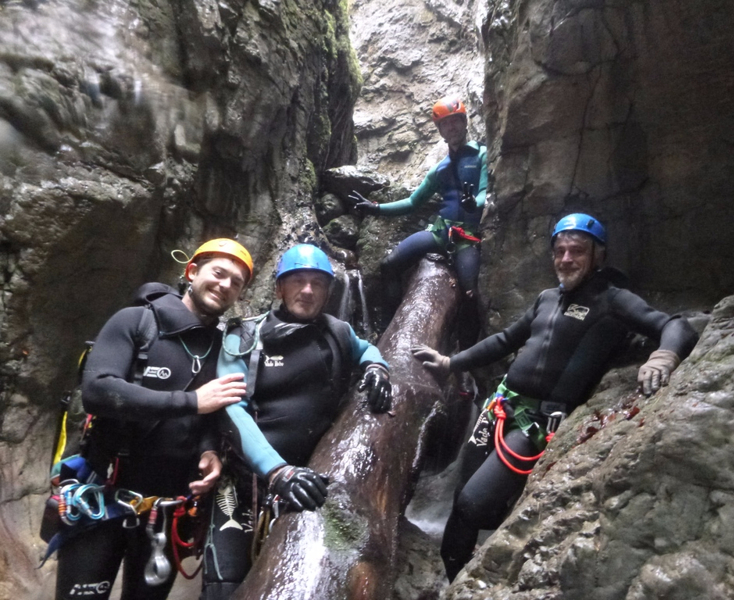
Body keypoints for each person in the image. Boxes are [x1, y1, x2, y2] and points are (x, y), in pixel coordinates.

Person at [412, 213, 699, 581]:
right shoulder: (546, 299)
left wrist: (664, 355)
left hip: (537, 424)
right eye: (559, 251)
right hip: (500, 407)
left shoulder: (612, 300)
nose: (566, 259)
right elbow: (504, 341)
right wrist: (451, 361)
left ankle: (473, 573)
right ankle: (455, 579)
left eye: (576, 250)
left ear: (598, 255)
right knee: (461, 499)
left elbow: (675, 325)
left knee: (472, 503)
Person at [54, 239, 254, 600]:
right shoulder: (136, 320)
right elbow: (98, 391)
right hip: (102, 498)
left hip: (166, 510)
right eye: (218, 273)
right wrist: (190, 401)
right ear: (192, 272)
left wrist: (210, 451)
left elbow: (211, 415)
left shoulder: (224, 348)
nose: (225, 285)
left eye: (236, 282)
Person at [201, 243, 392, 600]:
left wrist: (378, 367)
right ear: (279, 289)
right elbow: (231, 409)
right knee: (224, 588)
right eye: (298, 281)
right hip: (248, 484)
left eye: (317, 283)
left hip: (313, 478)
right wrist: (277, 471)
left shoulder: (337, 332)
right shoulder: (243, 337)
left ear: (328, 291)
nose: (307, 290)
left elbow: (366, 348)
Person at [349, 96, 488, 342]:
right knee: (389, 265)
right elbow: (413, 202)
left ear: (465, 122)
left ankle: (465, 355)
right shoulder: (440, 169)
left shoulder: (481, 156)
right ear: (440, 131)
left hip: (467, 236)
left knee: (471, 293)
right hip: (440, 232)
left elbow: (484, 194)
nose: (452, 127)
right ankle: (385, 330)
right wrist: (376, 207)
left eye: (455, 121)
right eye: (445, 124)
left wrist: (473, 204)